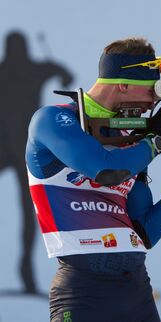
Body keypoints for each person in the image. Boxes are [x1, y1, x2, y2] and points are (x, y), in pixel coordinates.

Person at [26, 37, 161, 322]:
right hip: (84, 292)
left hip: (136, 290)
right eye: (152, 91)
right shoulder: (52, 119)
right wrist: (159, 139)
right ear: (123, 84)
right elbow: (106, 171)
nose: (154, 102)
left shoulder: (130, 141)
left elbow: (145, 232)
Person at [0, 30, 73, 294]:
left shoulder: (21, 70)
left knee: (29, 212)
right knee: (29, 212)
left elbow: (63, 72)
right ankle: (27, 272)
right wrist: (63, 75)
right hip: (18, 148)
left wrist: (63, 75)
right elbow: (64, 73)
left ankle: (27, 272)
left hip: (17, 148)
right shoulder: (34, 69)